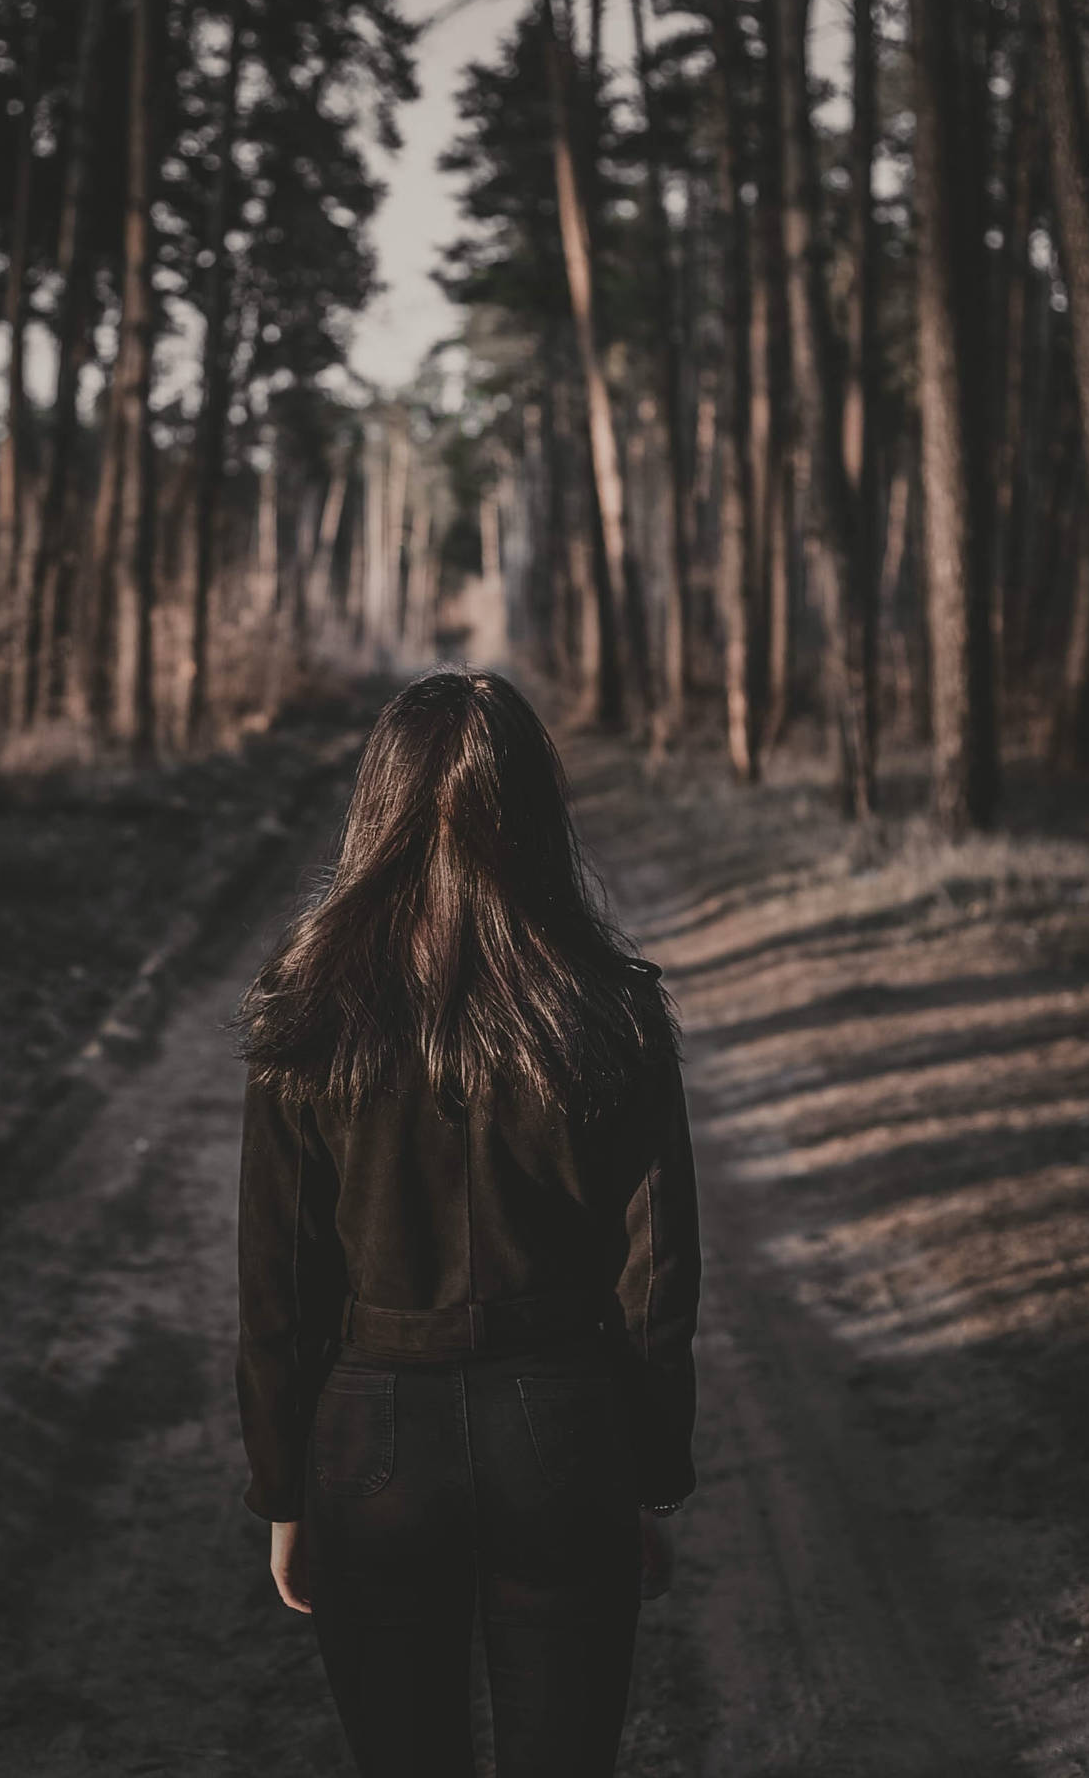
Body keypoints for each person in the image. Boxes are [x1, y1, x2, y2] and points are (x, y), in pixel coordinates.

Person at [233, 667, 701, 1778]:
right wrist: (646, 1474)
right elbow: (657, 1274)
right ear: (534, 811)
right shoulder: (612, 1007)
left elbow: (277, 1284)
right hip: (563, 1433)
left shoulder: (309, 1007)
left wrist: (282, 1489)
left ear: (375, 811)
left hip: (371, 1442)